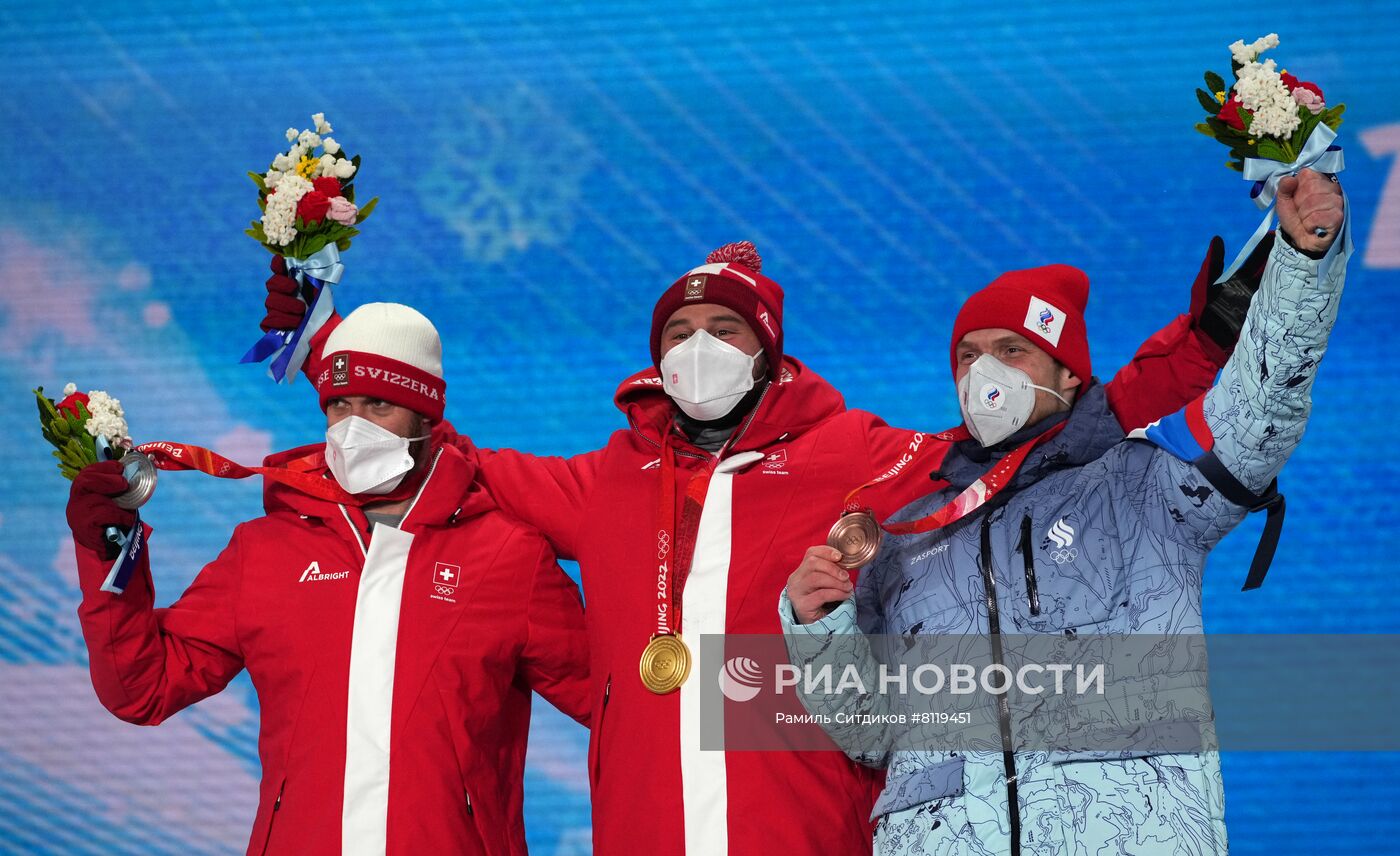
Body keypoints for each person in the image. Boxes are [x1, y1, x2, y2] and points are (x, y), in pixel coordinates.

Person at [260, 234, 1258, 854]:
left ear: (767, 347)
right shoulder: (601, 480)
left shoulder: (854, 452)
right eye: (679, 329)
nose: (698, 347)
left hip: (807, 829)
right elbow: (429, 447)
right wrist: (329, 352)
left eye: (725, 329)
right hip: (647, 831)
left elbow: (1039, 442)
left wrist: (1199, 348)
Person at [781, 169, 1349, 855]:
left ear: (1069, 375)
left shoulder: (1141, 483)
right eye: (968, 356)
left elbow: (1263, 411)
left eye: (1011, 350)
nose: (983, 373)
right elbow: (871, 733)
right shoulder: (908, 529)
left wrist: (1302, 261)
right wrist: (819, 631)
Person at [65, 303, 590, 856]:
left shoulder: (508, 555)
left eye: (379, 406)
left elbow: (620, 702)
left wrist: (694, 614)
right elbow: (141, 689)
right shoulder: (264, 550)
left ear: (426, 418)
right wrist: (109, 551)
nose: (354, 426)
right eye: (339, 405)